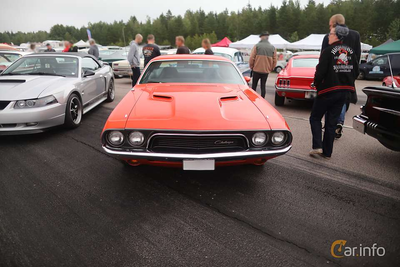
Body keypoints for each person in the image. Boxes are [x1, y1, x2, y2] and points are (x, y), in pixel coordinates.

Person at [310, 25, 359, 159]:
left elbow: (320, 73)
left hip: (328, 91)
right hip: (344, 92)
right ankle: (327, 152)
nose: (328, 36)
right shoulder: (352, 52)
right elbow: (356, 72)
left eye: (330, 34)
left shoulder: (328, 51)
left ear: (337, 36)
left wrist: (318, 84)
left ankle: (317, 146)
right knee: (331, 122)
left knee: (315, 117)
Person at [321, 14, 361, 139]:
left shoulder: (329, 36)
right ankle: (339, 123)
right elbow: (357, 56)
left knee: (329, 97)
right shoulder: (355, 35)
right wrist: (353, 73)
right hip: (348, 72)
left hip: (332, 73)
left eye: (329, 24)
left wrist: (322, 74)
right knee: (342, 99)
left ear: (334, 23)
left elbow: (323, 56)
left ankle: (330, 125)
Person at [249, 31, 277, 98]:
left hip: (256, 69)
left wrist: (251, 66)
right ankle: (262, 100)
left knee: (254, 86)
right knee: (263, 86)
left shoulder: (257, 46)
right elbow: (275, 60)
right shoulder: (273, 48)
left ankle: (253, 99)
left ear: (262, 37)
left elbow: (252, 57)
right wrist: (271, 68)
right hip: (265, 71)